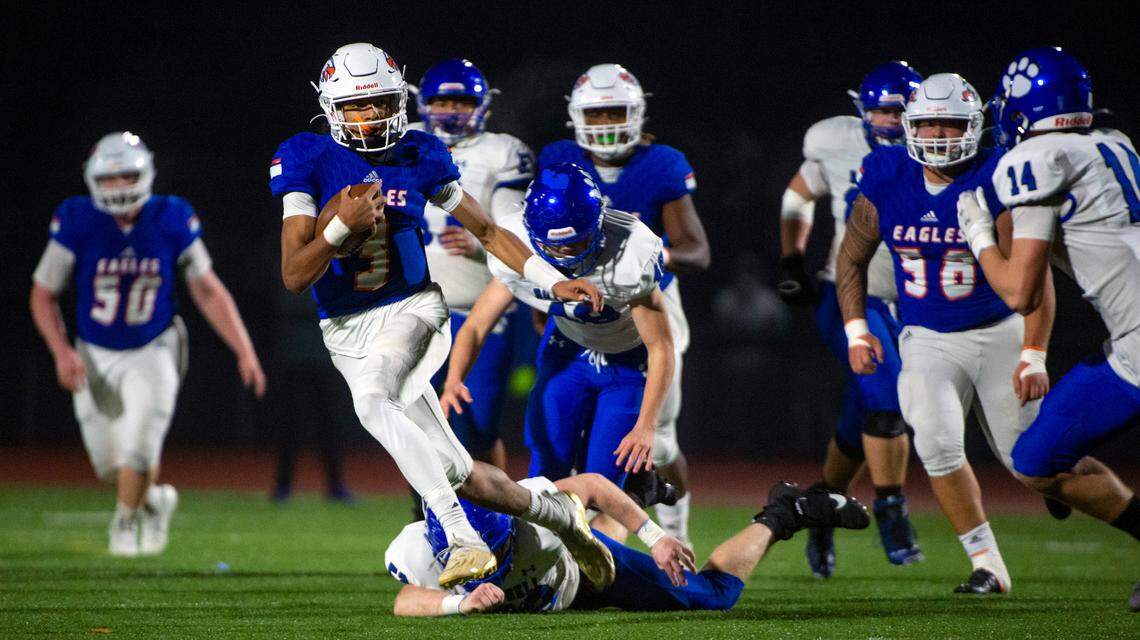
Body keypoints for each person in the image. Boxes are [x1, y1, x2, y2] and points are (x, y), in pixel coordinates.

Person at [269, 42, 614, 589]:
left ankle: (461, 538)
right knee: (458, 471)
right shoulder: (305, 156)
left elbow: (489, 231)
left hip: (415, 309)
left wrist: (552, 281)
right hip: (344, 329)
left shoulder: (420, 153)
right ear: (332, 108)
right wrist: (339, 227)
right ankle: (561, 516)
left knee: (372, 400)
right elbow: (294, 274)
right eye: (358, 107)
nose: (371, 117)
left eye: (381, 103)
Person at [837, 73, 1055, 594]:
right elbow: (852, 256)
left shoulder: (997, 174)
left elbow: (1035, 280)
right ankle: (987, 565)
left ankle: (1057, 479)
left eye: (950, 123)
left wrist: (1034, 352)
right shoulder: (886, 173)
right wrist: (855, 329)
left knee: (1029, 462)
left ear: (974, 126)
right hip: (927, 336)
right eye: (928, 122)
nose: (936, 134)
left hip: (997, 330)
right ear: (910, 126)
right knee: (934, 441)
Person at [30, 131, 267, 556]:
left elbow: (207, 289)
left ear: (145, 175)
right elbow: (42, 292)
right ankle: (154, 502)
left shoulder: (170, 216)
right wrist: (61, 351)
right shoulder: (77, 219)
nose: (119, 186)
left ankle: (123, 527)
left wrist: (244, 350)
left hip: (154, 346)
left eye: (127, 176)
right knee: (109, 466)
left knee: (139, 448)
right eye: (111, 178)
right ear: (93, 180)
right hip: (94, 351)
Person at [957, 47, 1140, 547]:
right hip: (1130, 339)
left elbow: (1019, 290)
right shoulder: (1114, 142)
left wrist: (978, 236)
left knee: (1035, 461)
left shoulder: (1035, 158)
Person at [537, 64, 710, 547]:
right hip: (578, 303)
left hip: (646, 301)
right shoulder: (560, 158)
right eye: (597, 112)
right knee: (579, 430)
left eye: (616, 111)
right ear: (575, 117)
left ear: (636, 113)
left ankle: (674, 526)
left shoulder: (662, 165)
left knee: (661, 435)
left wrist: (647, 256)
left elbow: (697, 249)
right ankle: (589, 532)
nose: (607, 122)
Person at [439, 163, 674, 516]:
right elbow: (475, 325)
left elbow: (661, 346)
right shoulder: (514, 243)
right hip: (568, 353)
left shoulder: (631, 250)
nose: (567, 255)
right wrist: (454, 378)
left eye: (577, 242)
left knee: (602, 486)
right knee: (547, 466)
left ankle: (634, 497)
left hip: (627, 363)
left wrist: (646, 426)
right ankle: (546, 562)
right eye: (556, 246)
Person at [776, 61, 924, 576]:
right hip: (849, 297)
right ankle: (891, 505)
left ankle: (822, 511)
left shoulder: (944, 145)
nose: (890, 121)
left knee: (858, 417)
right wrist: (792, 258)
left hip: (919, 304)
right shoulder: (836, 143)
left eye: (900, 111)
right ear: (862, 110)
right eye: (881, 110)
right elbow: (797, 194)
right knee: (887, 400)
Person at [384, 473, 869, 615]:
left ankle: (785, 512)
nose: (484, 565)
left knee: (713, 597)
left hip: (576, 576)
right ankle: (644, 491)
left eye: (494, 550)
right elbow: (406, 600)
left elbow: (591, 486)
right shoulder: (418, 548)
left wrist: (654, 537)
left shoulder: (536, 519)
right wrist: (457, 603)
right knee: (587, 536)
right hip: (556, 585)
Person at [413, 58, 534, 471]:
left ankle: (499, 518)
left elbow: (515, 235)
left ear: (482, 104)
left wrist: (479, 243)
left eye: (462, 101)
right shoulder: (403, 144)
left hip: (476, 309)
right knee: (419, 429)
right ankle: (429, 517)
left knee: (477, 428)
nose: (450, 110)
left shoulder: (502, 152)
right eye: (442, 100)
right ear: (422, 103)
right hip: (412, 310)